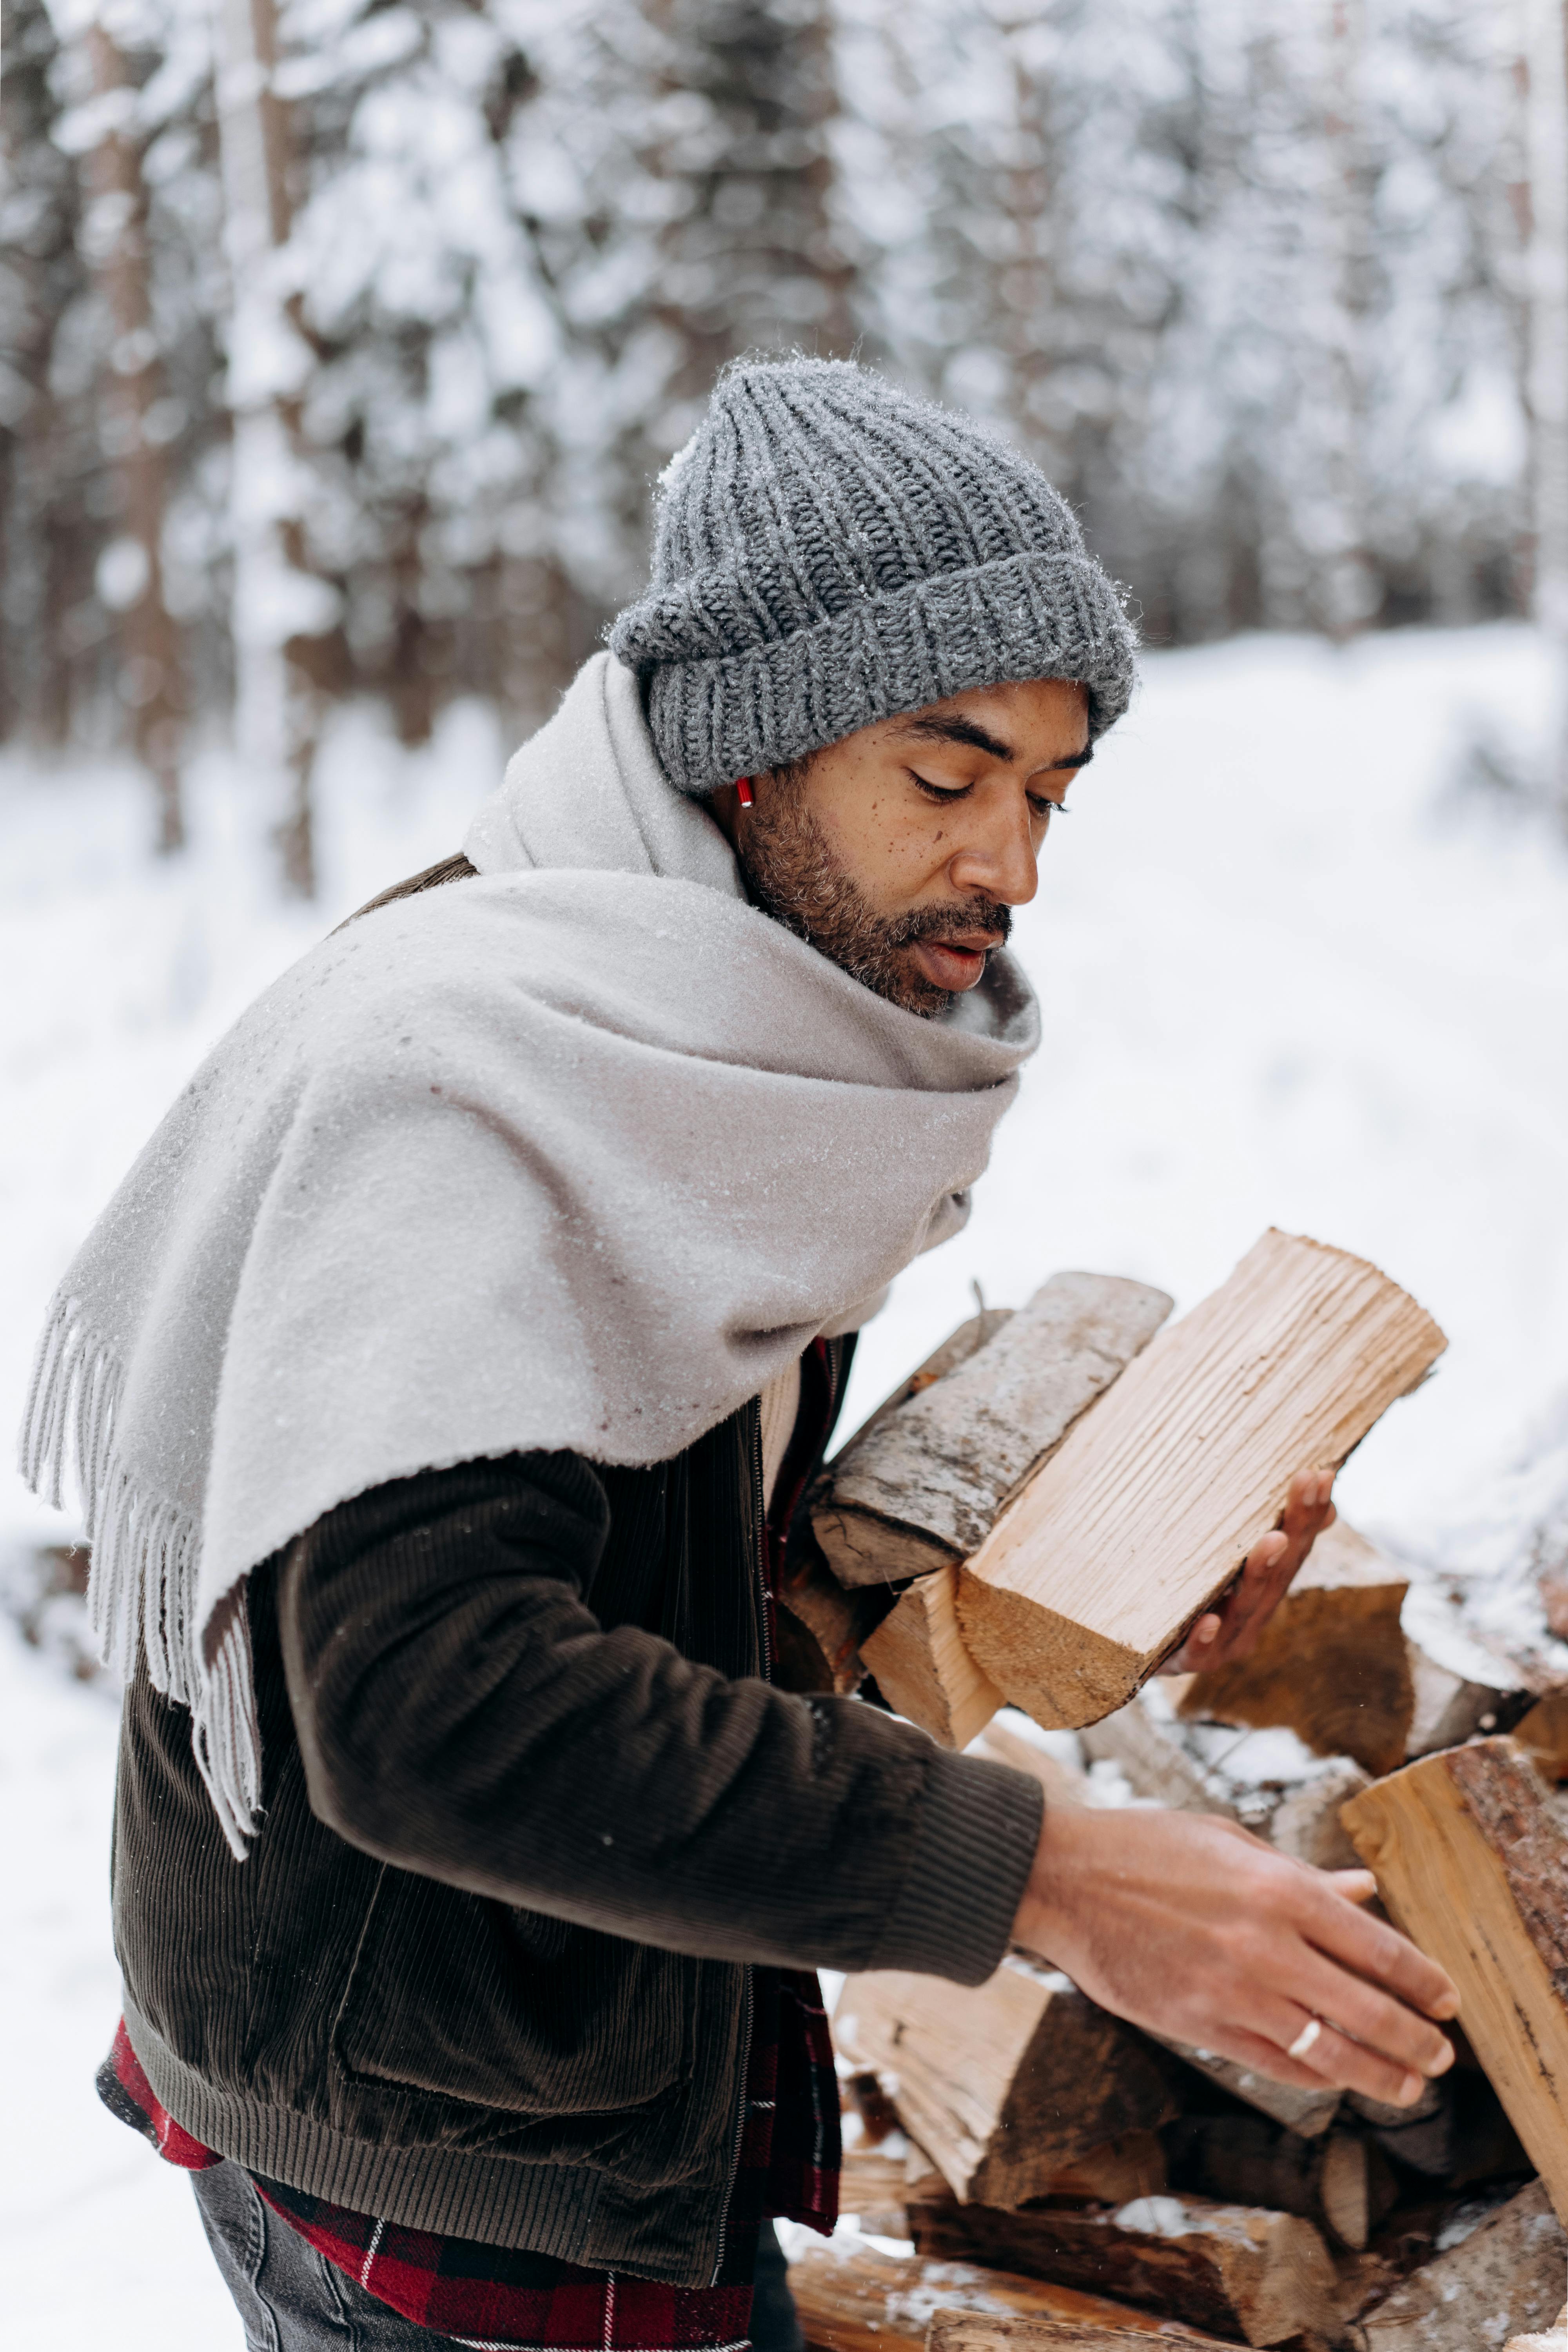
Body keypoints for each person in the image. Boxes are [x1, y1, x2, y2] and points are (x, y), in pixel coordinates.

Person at [23, 358, 1457, 2352]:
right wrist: (1053, 1879)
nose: (1015, 869)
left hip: (565, 2043)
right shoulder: (484, 1078)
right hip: (450, 2151)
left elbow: (654, 1560)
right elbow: (434, 1702)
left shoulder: (726, 1031)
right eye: (946, 778)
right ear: (747, 757)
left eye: (1048, 793)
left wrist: (1076, 1587)